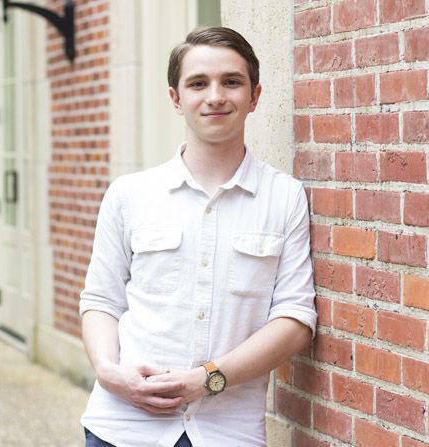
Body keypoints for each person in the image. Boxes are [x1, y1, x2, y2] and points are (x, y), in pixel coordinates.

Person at [79, 26, 317, 447]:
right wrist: (109, 372)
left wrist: (206, 380)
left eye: (231, 82)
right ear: (176, 98)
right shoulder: (129, 194)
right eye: (197, 83)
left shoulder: (284, 197)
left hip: (228, 433)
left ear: (255, 96)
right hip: (122, 429)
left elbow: (295, 320)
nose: (215, 96)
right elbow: (101, 301)